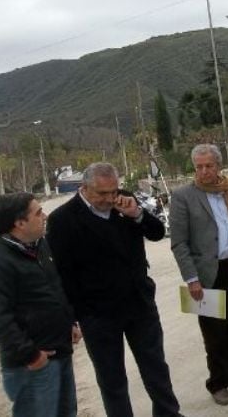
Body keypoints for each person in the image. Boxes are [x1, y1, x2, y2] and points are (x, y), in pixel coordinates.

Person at [46, 163, 182, 417]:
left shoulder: (125, 201)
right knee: (112, 379)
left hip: (139, 304)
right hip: (98, 314)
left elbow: (157, 232)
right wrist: (72, 317)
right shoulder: (63, 220)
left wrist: (137, 215)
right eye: (102, 194)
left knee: (156, 369)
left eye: (113, 191)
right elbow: (63, 275)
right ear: (84, 188)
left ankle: (168, 413)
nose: (110, 199)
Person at [169, 144, 228, 406]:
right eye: (198, 167)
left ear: (218, 166)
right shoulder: (182, 196)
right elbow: (179, 243)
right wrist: (191, 279)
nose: (203, 171)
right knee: (215, 333)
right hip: (206, 274)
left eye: (208, 166)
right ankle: (218, 382)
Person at [0, 193, 80, 417]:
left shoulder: (39, 247)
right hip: (32, 367)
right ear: (19, 223)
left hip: (60, 352)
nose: (45, 216)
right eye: (38, 213)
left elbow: (53, 289)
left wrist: (70, 322)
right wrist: (31, 356)